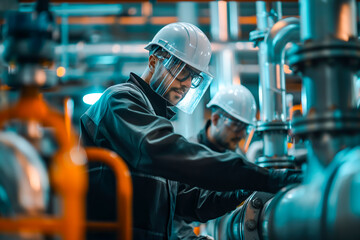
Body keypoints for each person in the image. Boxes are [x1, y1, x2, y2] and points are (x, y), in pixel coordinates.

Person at [80, 22, 302, 240]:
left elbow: (189, 202)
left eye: (194, 77)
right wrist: (267, 178)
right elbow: (159, 151)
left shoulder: (155, 121)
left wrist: (246, 186)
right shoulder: (119, 100)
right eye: (180, 70)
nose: (186, 84)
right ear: (153, 60)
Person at [170, 85, 258, 240]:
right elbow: (173, 214)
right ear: (216, 119)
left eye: (246, 128)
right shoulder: (187, 157)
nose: (242, 134)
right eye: (237, 126)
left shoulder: (240, 160)